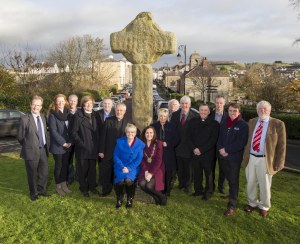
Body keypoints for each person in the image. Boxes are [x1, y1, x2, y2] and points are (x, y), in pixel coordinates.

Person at [242, 101, 286, 217]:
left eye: (265, 109)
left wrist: (280, 162)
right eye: (260, 109)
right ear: (257, 110)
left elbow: (282, 146)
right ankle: (252, 203)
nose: (263, 111)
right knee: (250, 182)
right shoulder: (251, 122)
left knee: (265, 184)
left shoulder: (278, 124)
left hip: (265, 159)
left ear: (269, 110)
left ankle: (264, 206)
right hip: (251, 157)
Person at [217, 103, 249, 216]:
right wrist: (221, 148)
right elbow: (219, 137)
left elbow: (241, 142)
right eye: (230, 110)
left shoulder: (243, 125)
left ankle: (232, 204)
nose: (232, 113)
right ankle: (228, 195)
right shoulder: (224, 122)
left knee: (233, 181)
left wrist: (227, 150)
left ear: (239, 112)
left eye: (235, 111)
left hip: (234, 158)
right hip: (222, 156)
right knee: (225, 178)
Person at [17, 95, 50, 201]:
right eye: (34, 105)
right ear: (31, 105)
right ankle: (33, 193)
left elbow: (45, 132)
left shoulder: (43, 117)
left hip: (43, 150)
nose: (36, 107)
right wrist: (28, 146)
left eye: (38, 105)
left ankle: (42, 190)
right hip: (31, 151)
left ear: (41, 106)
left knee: (44, 172)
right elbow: (20, 137)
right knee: (32, 174)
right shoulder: (24, 118)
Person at [188, 104, 219, 200]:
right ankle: (198, 190)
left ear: (209, 112)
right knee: (197, 172)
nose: (203, 112)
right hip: (195, 152)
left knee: (208, 174)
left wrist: (201, 150)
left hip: (207, 153)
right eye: (201, 110)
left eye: (205, 110)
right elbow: (188, 137)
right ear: (199, 111)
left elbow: (213, 140)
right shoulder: (192, 122)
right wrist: (194, 148)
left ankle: (208, 192)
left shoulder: (215, 124)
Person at [98, 103, 131, 197]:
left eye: (121, 110)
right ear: (115, 110)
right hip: (108, 151)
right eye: (117, 110)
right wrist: (101, 150)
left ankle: (120, 191)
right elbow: (103, 136)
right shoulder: (108, 120)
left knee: (120, 172)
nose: (119, 112)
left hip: (121, 154)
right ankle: (106, 190)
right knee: (106, 172)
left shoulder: (129, 122)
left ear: (125, 111)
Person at [70, 95, 100, 197]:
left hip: (93, 148)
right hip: (82, 148)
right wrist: (81, 143)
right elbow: (73, 133)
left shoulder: (96, 115)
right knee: (83, 169)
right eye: (87, 103)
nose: (89, 105)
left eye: (90, 103)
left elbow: (99, 131)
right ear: (83, 105)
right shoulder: (77, 116)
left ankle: (92, 187)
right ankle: (83, 188)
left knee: (92, 169)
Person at [171, 95, 198, 193]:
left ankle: (188, 185)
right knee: (180, 167)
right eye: (182, 103)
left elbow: (196, 133)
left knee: (189, 168)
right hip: (178, 146)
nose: (184, 105)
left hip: (189, 146)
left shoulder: (195, 116)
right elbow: (172, 130)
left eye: (186, 103)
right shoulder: (175, 115)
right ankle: (181, 184)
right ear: (180, 104)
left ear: (190, 105)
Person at [113, 123, 145, 208]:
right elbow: (115, 156)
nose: (130, 134)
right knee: (120, 181)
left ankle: (130, 198)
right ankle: (119, 198)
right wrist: (122, 167)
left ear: (135, 133)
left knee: (128, 180)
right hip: (121, 166)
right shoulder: (120, 141)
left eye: (132, 132)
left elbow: (139, 159)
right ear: (125, 132)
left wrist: (129, 168)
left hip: (133, 167)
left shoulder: (140, 144)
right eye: (128, 132)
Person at [48, 94, 72, 196]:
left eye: (62, 101)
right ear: (55, 103)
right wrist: (63, 143)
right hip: (58, 146)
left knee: (65, 165)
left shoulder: (68, 113)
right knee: (59, 166)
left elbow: (71, 129)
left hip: (68, 145)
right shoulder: (52, 114)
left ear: (65, 101)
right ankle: (58, 186)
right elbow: (53, 131)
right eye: (58, 101)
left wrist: (70, 141)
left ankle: (63, 184)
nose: (61, 103)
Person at [152, 108, 178, 196]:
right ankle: (159, 188)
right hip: (157, 153)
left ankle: (167, 190)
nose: (163, 118)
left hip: (168, 152)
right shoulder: (153, 126)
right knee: (159, 171)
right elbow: (150, 138)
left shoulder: (172, 126)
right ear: (158, 116)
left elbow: (177, 139)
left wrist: (168, 144)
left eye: (165, 116)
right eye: (161, 116)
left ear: (167, 117)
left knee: (168, 172)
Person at [138, 126, 167, 205]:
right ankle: (155, 197)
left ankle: (161, 196)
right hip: (145, 168)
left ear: (154, 134)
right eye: (147, 133)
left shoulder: (159, 143)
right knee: (142, 184)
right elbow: (141, 159)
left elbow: (158, 160)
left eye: (151, 133)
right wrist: (146, 171)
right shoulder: (141, 144)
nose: (149, 134)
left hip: (157, 168)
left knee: (149, 186)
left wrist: (151, 174)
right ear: (144, 134)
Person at [209, 95, 228, 194]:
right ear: (214, 103)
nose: (219, 105)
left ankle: (221, 188)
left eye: (221, 103)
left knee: (223, 169)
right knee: (211, 168)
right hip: (211, 147)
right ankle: (211, 187)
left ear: (224, 103)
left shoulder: (228, 116)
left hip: (222, 147)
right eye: (217, 103)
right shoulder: (210, 115)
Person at [95, 98, 115, 186]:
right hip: (100, 140)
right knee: (101, 162)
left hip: (111, 142)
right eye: (105, 104)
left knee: (111, 162)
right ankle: (101, 179)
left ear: (112, 105)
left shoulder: (115, 113)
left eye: (109, 104)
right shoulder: (97, 114)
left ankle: (111, 179)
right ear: (102, 105)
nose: (107, 105)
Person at [67, 94, 78, 184]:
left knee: (79, 159)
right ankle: (70, 178)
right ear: (68, 101)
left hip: (78, 140)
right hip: (69, 140)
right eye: (71, 100)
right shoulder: (65, 112)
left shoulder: (81, 112)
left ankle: (78, 176)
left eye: (74, 100)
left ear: (77, 102)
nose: (72, 102)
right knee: (69, 160)